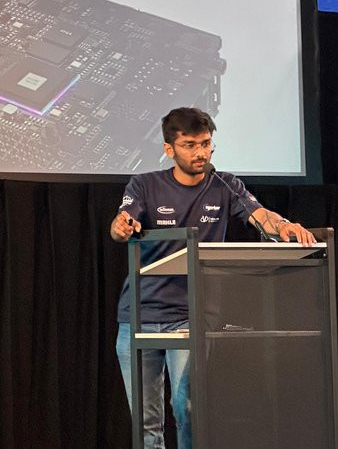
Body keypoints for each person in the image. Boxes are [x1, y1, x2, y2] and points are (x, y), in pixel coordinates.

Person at [110, 106, 315, 449]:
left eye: (205, 144)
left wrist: (283, 226)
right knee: (146, 423)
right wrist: (122, 226)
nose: (200, 153)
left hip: (190, 315)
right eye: (190, 145)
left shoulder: (224, 185)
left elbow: (259, 214)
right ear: (169, 149)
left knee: (188, 409)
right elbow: (122, 224)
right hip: (139, 316)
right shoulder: (145, 184)